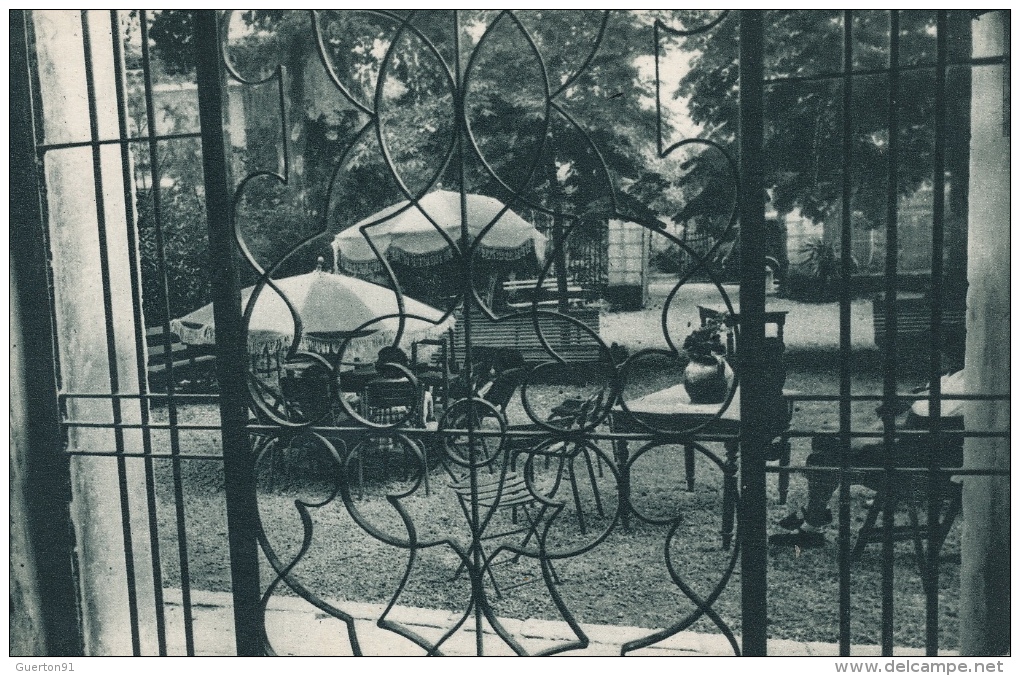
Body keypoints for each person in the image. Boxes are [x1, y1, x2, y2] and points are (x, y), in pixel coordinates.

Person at [770, 369, 967, 548]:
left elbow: (921, 440)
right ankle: (816, 512)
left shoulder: (963, 389)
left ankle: (812, 525)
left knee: (823, 458)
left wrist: (869, 442)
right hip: (906, 456)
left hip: (916, 474)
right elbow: (906, 425)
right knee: (826, 438)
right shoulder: (952, 377)